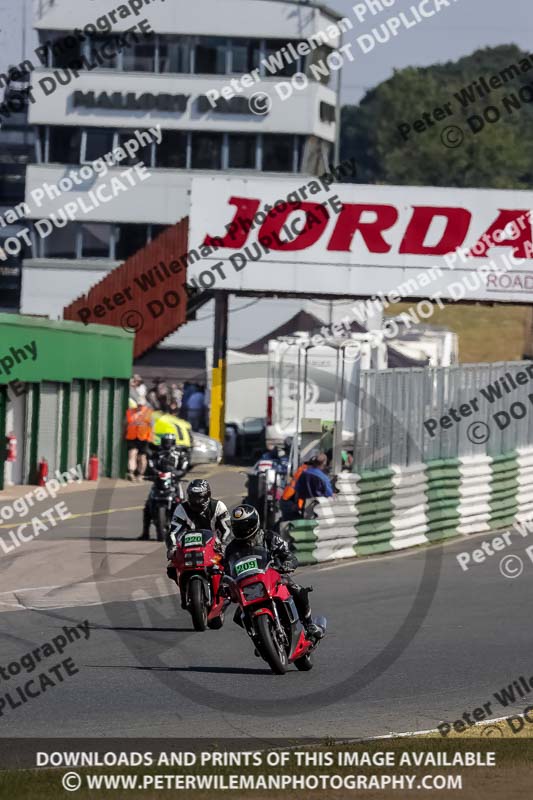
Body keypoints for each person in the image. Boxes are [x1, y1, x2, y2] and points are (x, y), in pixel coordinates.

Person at [224, 504, 323, 640]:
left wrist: (287, 562)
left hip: (273, 577)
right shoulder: (231, 549)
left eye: (246, 525)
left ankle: (309, 623)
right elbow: (226, 571)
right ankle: (260, 637)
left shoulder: (268, 537)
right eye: (238, 526)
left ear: (254, 522)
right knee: (238, 616)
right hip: (247, 585)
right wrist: (225, 586)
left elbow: (287, 553)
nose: (242, 529)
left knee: (297, 590)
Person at [165, 479, 231, 581]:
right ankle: (185, 589)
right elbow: (173, 532)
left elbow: (228, 530)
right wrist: (172, 547)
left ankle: (225, 591)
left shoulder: (218, 506)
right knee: (172, 568)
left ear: (207, 495)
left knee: (229, 565)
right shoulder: (181, 509)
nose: (196, 501)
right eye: (193, 497)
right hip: (189, 548)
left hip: (214, 549)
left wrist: (224, 544)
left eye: (199, 497)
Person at [139, 433, 185, 540]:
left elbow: (184, 467)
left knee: (183, 504)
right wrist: (156, 473)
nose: (167, 444)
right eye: (166, 442)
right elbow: (151, 465)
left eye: (169, 442)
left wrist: (175, 474)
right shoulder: (157, 453)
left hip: (174, 482)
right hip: (159, 482)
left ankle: (187, 531)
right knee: (147, 505)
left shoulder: (179, 453)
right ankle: (145, 532)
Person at [124, 401, 153, 481]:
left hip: (144, 438)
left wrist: (151, 438)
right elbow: (126, 424)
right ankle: (131, 472)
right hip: (132, 437)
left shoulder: (148, 413)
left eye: (141, 405)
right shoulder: (130, 412)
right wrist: (123, 434)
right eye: (138, 405)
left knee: (142, 457)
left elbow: (152, 427)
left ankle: (140, 474)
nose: (139, 407)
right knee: (132, 454)